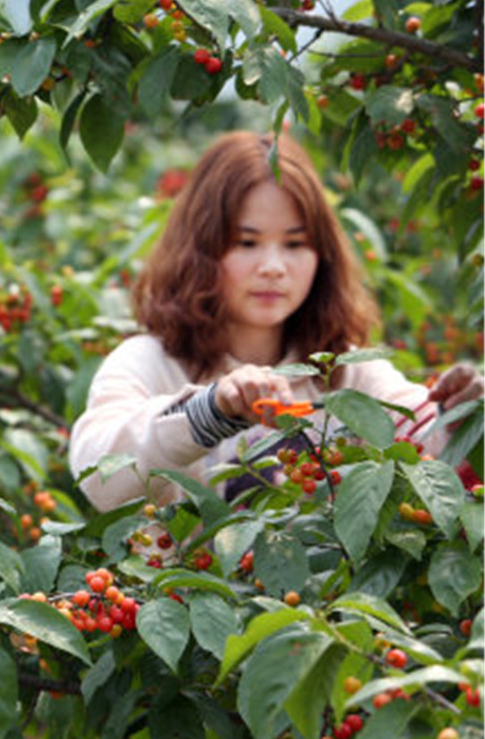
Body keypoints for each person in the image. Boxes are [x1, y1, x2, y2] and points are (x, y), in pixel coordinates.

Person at [70, 131, 482, 512]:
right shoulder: (150, 363)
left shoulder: (345, 372)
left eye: (295, 244)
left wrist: (463, 418)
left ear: (322, 256)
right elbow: (99, 477)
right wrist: (211, 410)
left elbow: (428, 452)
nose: (273, 267)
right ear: (201, 247)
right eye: (246, 242)